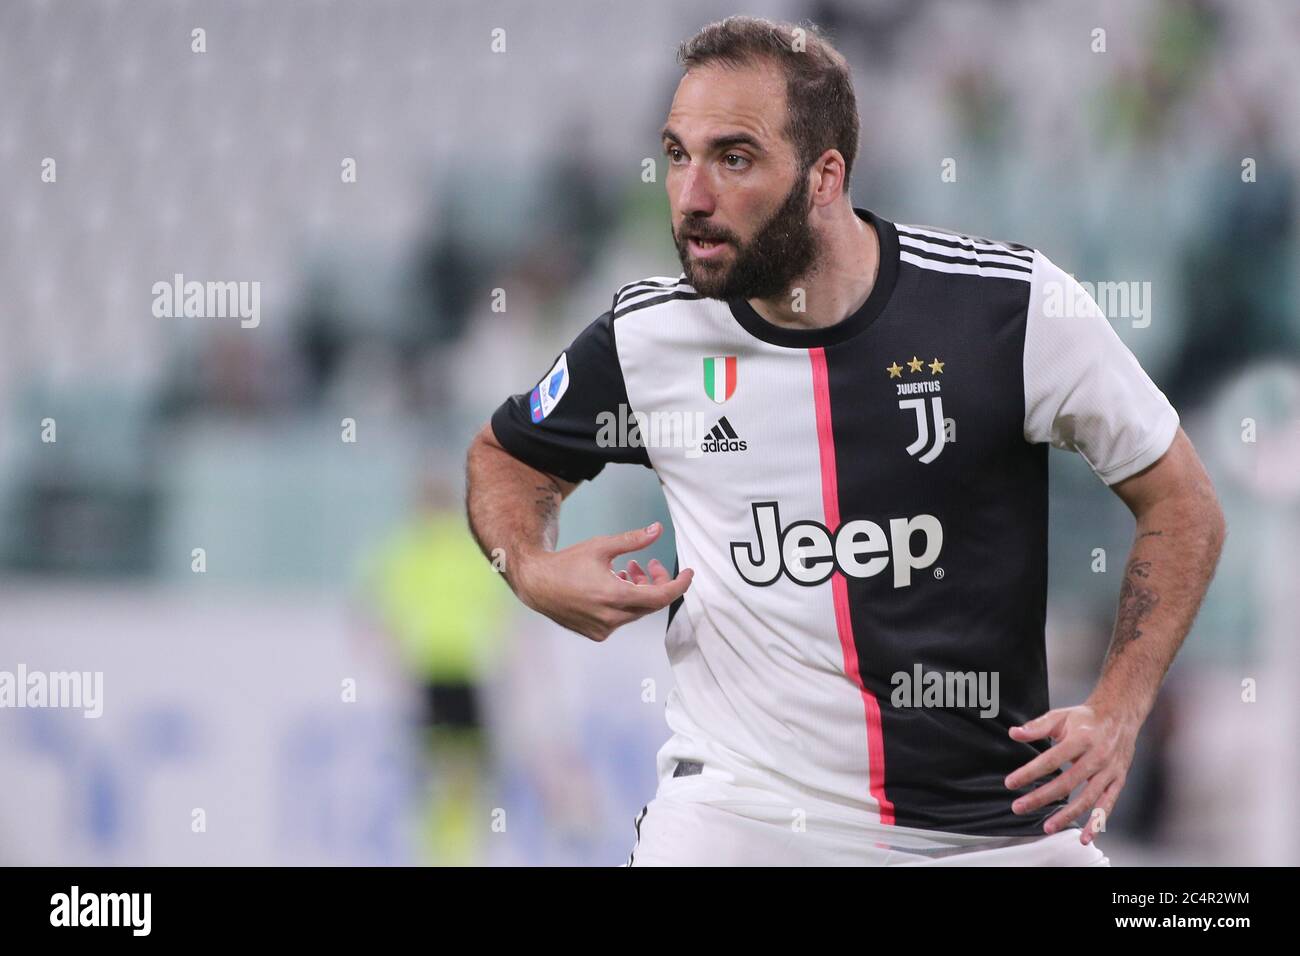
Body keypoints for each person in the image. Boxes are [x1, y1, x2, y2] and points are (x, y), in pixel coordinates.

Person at [464, 16, 1225, 865]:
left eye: (735, 158)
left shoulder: (1011, 311)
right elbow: (505, 456)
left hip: (992, 831)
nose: (691, 195)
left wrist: (1118, 709)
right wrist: (530, 569)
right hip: (742, 813)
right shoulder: (648, 339)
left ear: (826, 176)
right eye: (678, 154)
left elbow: (1182, 499)